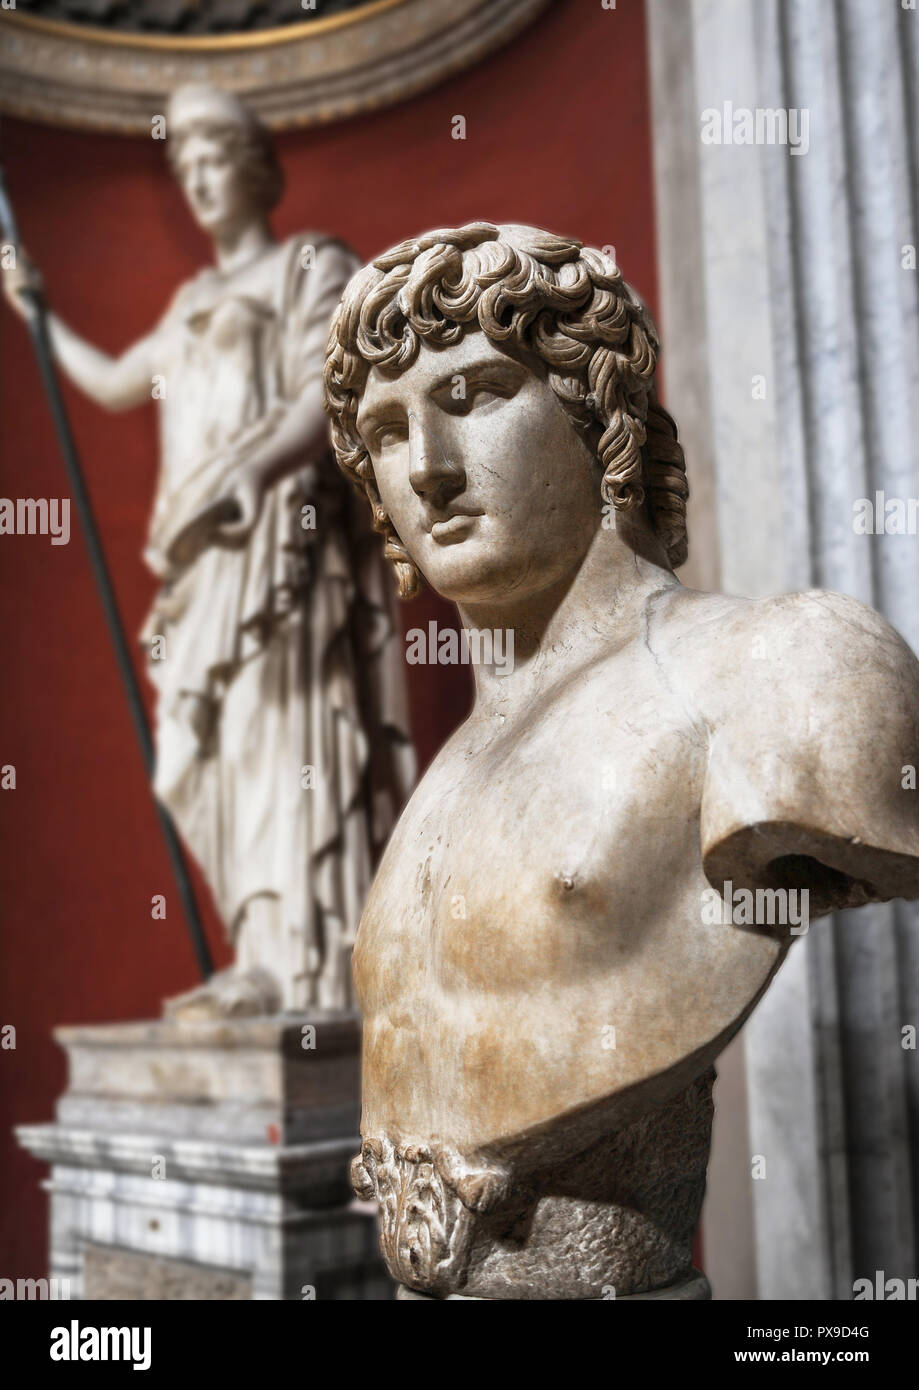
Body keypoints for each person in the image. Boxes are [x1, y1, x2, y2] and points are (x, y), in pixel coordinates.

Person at [323, 221, 919, 1298]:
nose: (428, 472)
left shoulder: (786, 669)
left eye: (475, 396)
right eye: (386, 428)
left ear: (602, 415)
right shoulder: (443, 778)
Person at [3, 85, 413, 1016]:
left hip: (280, 534)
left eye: (214, 159)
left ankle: (311, 969)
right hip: (205, 558)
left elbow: (330, 389)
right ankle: (260, 959)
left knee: (287, 735)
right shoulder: (191, 299)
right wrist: (34, 308)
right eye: (182, 166)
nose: (196, 180)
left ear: (257, 169)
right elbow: (114, 383)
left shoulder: (311, 265)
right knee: (214, 752)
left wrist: (259, 468)